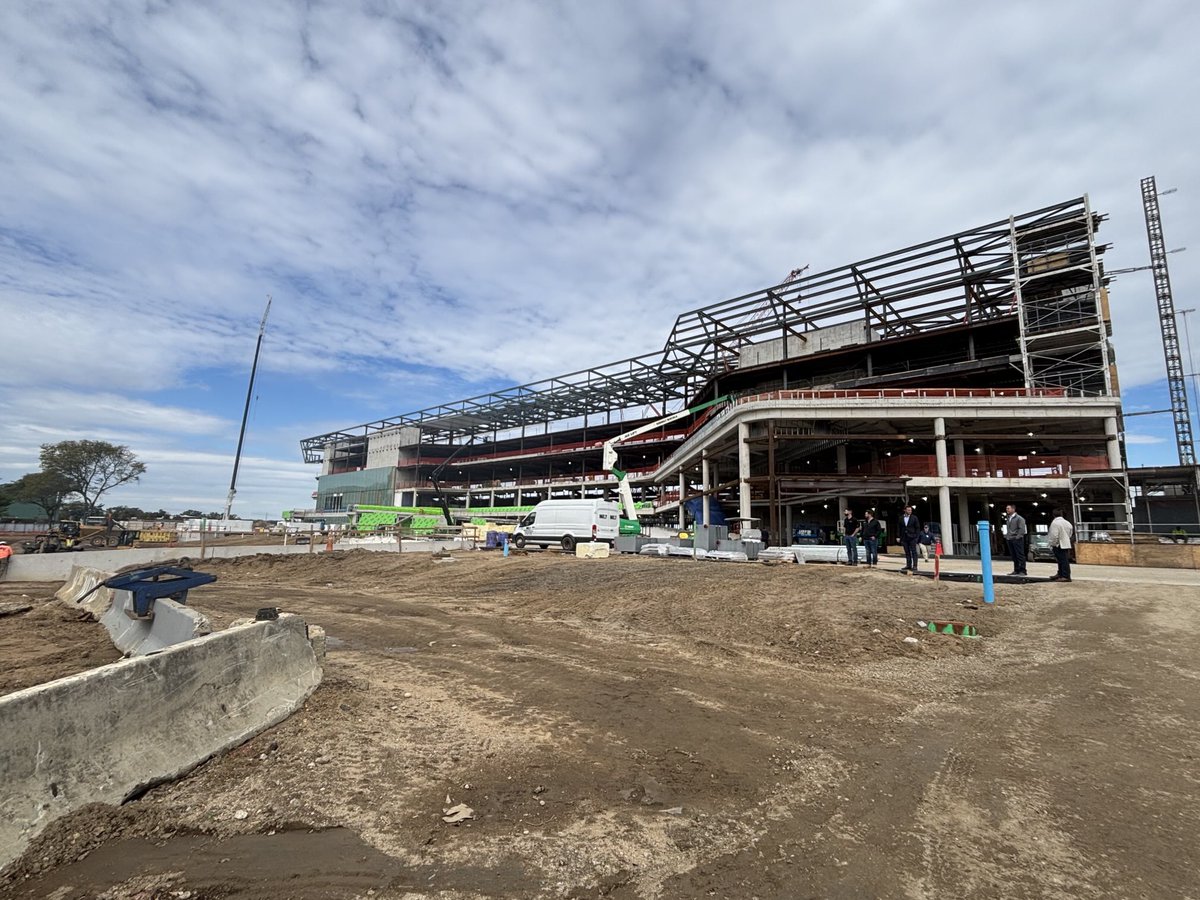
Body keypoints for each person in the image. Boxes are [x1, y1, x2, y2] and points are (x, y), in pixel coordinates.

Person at [1048, 508, 1074, 582]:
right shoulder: (1067, 523)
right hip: (1066, 543)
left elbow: (1054, 535)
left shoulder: (1055, 523)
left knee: (1062, 560)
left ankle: (1065, 576)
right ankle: (1060, 573)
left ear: (1053, 515)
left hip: (1058, 544)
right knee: (1063, 560)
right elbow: (1070, 533)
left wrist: (1053, 543)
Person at [1004, 504, 1028, 576]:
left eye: (1008, 508)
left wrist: (1018, 537)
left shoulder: (1019, 518)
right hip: (1010, 539)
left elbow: (1022, 529)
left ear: (1013, 509)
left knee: (1020, 555)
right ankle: (1016, 570)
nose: (1007, 510)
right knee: (1014, 556)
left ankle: (1023, 571)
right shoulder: (1009, 518)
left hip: (1017, 539)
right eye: (1006, 508)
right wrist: (1007, 537)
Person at [900, 505, 921, 574]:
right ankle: (908, 565)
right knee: (907, 552)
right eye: (908, 510)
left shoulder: (914, 518)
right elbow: (899, 527)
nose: (910, 511)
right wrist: (898, 536)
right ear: (905, 510)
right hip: (904, 537)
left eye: (911, 510)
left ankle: (915, 565)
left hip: (912, 537)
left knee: (914, 552)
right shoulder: (901, 518)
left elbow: (917, 528)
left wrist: (916, 537)